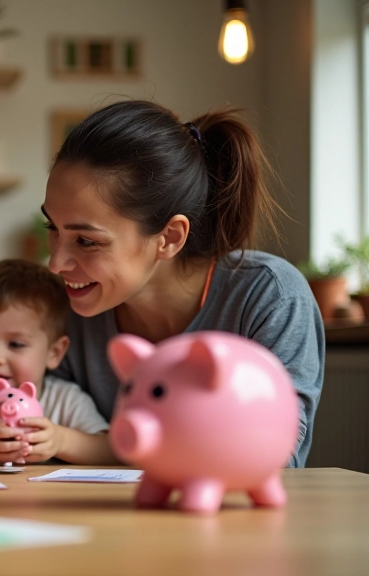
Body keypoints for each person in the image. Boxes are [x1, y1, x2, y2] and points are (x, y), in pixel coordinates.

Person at [43, 100, 323, 467]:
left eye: (86, 241)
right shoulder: (66, 308)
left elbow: (274, 457)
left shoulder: (270, 297)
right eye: (53, 228)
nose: (55, 264)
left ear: (170, 237)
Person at [0, 259, 116, 465]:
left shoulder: (66, 401)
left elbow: (111, 451)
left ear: (54, 353)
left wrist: (61, 441)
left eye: (16, 344)